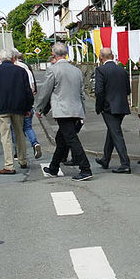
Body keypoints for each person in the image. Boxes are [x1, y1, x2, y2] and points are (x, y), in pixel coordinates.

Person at [36, 43, 92, 181]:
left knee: (71, 139)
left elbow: (45, 92)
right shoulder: (76, 70)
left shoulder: (53, 70)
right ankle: (53, 167)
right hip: (75, 109)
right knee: (61, 139)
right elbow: (81, 93)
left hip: (62, 110)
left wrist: (39, 108)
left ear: (54, 55)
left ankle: (85, 169)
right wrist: (82, 113)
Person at [0, 49, 33, 174]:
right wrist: (28, 107)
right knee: (20, 133)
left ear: (0, 59)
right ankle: (23, 159)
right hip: (19, 107)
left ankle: (9, 165)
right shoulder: (21, 71)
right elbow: (28, 91)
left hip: (0, 107)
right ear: (13, 58)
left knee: (6, 136)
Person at [94, 47, 132, 173]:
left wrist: (99, 107)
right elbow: (128, 89)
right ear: (112, 56)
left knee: (116, 134)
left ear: (101, 57)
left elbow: (99, 91)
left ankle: (125, 163)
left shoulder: (101, 70)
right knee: (112, 132)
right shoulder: (122, 69)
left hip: (109, 107)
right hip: (121, 106)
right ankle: (105, 159)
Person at [12, 49, 42, 159]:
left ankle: (17, 151)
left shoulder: (12, 70)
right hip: (27, 101)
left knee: (15, 129)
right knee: (28, 127)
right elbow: (32, 87)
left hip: (15, 104)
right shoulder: (26, 69)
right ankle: (35, 143)